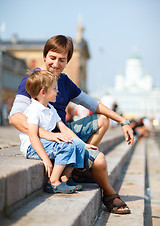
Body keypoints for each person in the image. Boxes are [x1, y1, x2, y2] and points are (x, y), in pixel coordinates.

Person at [9, 35, 134, 214]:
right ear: (45, 56)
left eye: (62, 60)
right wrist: (50, 135)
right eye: (52, 58)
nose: (56, 64)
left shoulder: (65, 82)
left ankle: (76, 168)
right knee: (100, 161)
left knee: (103, 120)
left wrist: (123, 120)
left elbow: (93, 104)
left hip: (64, 134)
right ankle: (109, 194)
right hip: (46, 140)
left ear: (67, 61)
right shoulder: (35, 80)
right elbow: (15, 117)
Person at [20, 69, 97, 193]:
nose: (58, 91)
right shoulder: (34, 110)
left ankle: (64, 178)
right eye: (55, 88)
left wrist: (83, 144)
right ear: (43, 92)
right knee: (67, 146)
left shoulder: (50, 108)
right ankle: (53, 182)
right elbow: (33, 136)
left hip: (47, 144)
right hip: (32, 147)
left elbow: (64, 128)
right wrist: (45, 159)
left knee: (77, 144)